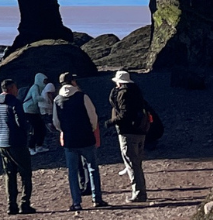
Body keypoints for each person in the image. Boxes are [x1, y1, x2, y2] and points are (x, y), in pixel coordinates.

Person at [52, 74, 107, 210]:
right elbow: (93, 116)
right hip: (86, 137)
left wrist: (64, 130)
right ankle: (97, 198)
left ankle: (76, 202)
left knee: (72, 172)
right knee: (92, 168)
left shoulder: (57, 100)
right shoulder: (83, 97)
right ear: (72, 82)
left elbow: (56, 122)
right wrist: (91, 129)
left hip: (70, 140)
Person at [0, 79, 36, 215]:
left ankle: (11, 205)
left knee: (9, 174)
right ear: (11, 88)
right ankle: (24, 203)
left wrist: (0, 138)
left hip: (2, 143)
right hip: (17, 143)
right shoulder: (15, 103)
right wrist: (26, 133)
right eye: (16, 87)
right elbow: (20, 122)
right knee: (25, 173)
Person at [107, 70, 151, 202]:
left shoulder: (123, 93)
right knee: (137, 162)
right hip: (141, 130)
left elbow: (125, 114)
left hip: (128, 132)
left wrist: (111, 122)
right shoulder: (136, 91)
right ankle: (141, 191)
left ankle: (139, 193)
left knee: (132, 164)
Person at [22, 73, 54, 155]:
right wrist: (45, 98)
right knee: (36, 129)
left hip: (34, 111)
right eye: (44, 80)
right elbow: (35, 99)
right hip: (29, 111)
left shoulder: (41, 88)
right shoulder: (35, 87)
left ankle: (39, 145)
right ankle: (31, 147)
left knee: (41, 128)